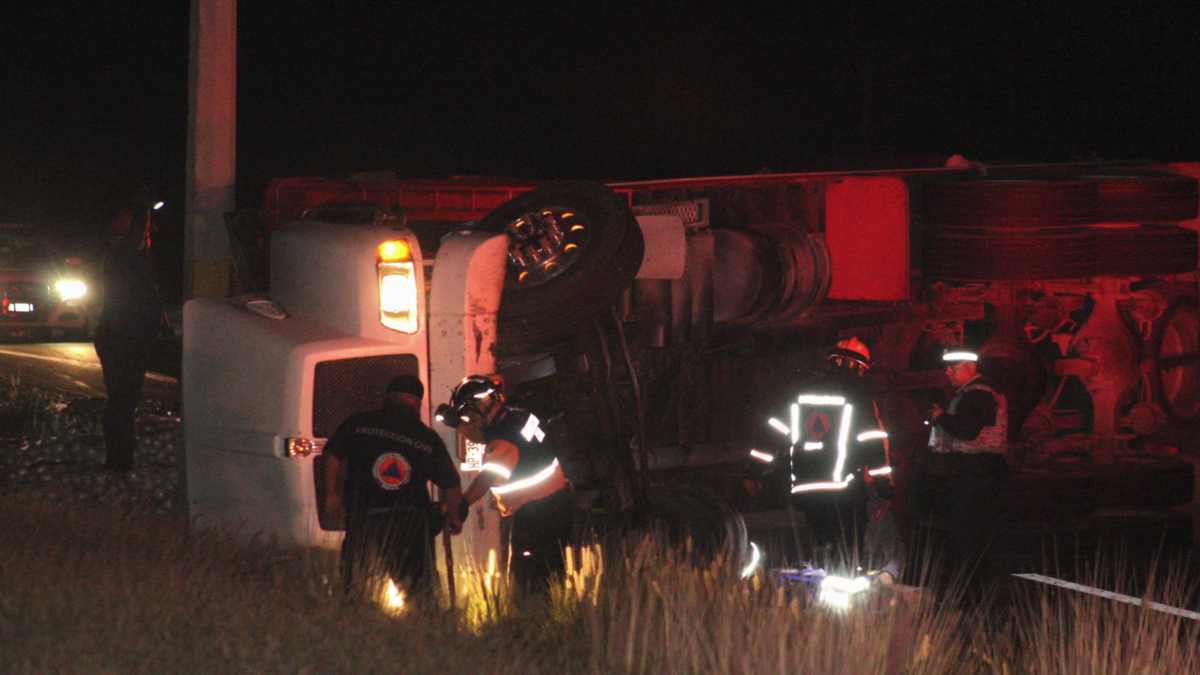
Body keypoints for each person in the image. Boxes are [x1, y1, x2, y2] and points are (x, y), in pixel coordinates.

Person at [322, 375, 463, 602]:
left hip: (363, 518)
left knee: (356, 588)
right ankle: (430, 631)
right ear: (417, 403)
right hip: (410, 525)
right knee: (422, 595)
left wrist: (331, 495)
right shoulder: (427, 439)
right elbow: (451, 484)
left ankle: (356, 629)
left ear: (387, 398)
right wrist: (455, 517)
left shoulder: (359, 423)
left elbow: (332, 455)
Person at [778, 337, 902, 583]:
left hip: (805, 488)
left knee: (818, 544)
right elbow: (872, 440)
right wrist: (883, 483)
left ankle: (815, 592)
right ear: (858, 366)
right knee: (846, 548)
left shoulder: (802, 391)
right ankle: (841, 602)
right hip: (843, 489)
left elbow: (777, 430)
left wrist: (759, 471)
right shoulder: (859, 396)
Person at [435, 374, 574, 592]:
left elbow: (489, 476)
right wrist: (457, 424)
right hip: (554, 502)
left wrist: (461, 505)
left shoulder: (504, 436)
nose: (469, 418)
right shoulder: (517, 416)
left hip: (536, 512)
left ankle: (533, 618)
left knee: (529, 577)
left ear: (482, 404)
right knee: (551, 570)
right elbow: (485, 435)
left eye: (469, 413)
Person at [922, 348, 1010, 592]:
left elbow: (966, 430)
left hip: (976, 471)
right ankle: (978, 582)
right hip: (983, 471)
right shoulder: (975, 393)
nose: (947, 373)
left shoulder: (978, 394)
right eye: (947, 368)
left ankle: (969, 586)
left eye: (953, 367)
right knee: (978, 531)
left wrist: (940, 417)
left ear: (970, 368)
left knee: (969, 530)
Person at [94, 202, 163, 472]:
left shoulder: (125, 255)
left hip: (123, 336)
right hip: (122, 338)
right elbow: (139, 299)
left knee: (123, 400)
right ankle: (119, 462)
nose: (148, 231)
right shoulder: (123, 255)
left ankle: (120, 459)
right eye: (144, 225)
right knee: (122, 400)